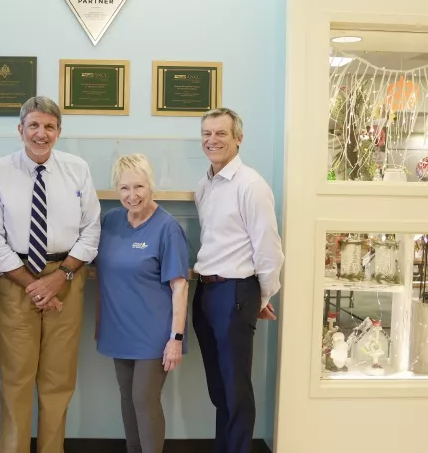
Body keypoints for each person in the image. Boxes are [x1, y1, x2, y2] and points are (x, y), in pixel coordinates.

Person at [0, 96, 101, 453]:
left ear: (59, 132)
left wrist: (60, 276)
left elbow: (91, 230)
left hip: (67, 278)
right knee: (16, 379)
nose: (41, 133)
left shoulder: (77, 169)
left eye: (49, 126)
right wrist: (34, 285)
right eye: (33, 125)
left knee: (58, 380)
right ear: (20, 130)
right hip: (15, 280)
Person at [192, 107, 285, 453]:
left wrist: (259, 298)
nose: (212, 140)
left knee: (235, 388)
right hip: (206, 292)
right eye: (206, 133)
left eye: (221, 134)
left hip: (235, 292)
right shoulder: (205, 185)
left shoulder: (251, 185)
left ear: (238, 139)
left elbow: (269, 248)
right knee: (219, 388)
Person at [94, 153, 190, 453]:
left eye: (139, 187)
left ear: (151, 186)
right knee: (127, 399)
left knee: (144, 400)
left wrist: (176, 338)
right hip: (117, 329)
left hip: (154, 334)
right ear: (116, 190)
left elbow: (180, 286)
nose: (132, 195)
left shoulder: (167, 227)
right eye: (124, 188)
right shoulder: (109, 222)